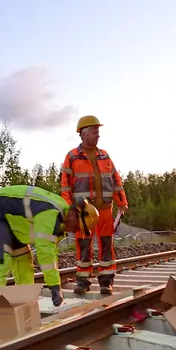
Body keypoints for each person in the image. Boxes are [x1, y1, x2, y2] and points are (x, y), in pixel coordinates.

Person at [0, 185, 99, 306]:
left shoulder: (60, 220)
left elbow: (50, 253)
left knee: (24, 266)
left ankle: (24, 307)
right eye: (77, 227)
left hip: (14, 224)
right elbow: (45, 252)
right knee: (0, 263)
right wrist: (55, 287)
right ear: (74, 214)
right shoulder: (51, 214)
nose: (74, 231)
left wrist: (55, 285)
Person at [59, 116, 129, 296]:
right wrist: (69, 209)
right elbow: (65, 186)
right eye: (94, 132)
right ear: (83, 134)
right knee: (83, 245)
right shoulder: (72, 157)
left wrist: (122, 202)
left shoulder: (105, 156)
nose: (98, 135)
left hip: (105, 209)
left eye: (98, 132)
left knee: (106, 244)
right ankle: (83, 281)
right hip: (83, 211)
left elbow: (115, 180)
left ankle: (106, 282)